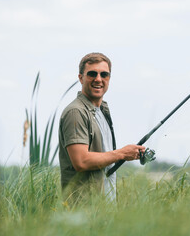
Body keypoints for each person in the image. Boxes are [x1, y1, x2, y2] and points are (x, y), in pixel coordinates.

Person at [58, 52, 145, 201]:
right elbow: (81, 161)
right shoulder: (76, 112)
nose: (98, 79)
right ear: (81, 78)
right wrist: (122, 154)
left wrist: (127, 153)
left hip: (104, 209)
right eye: (92, 74)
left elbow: (103, 158)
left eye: (104, 74)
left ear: (109, 79)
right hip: (83, 211)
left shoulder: (101, 112)